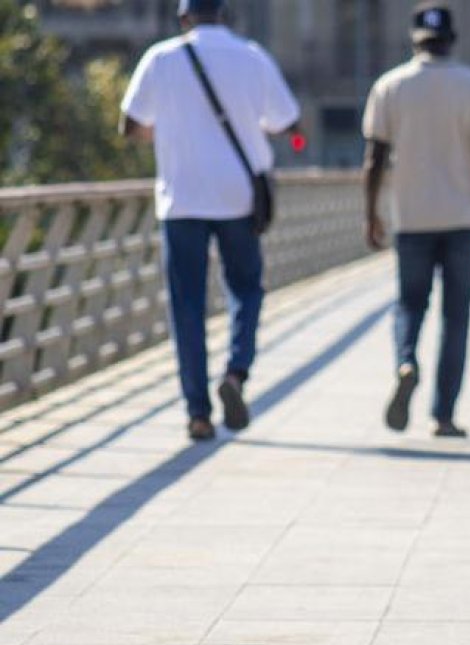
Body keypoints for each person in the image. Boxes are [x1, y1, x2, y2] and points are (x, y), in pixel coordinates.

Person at [119, 0, 301, 440]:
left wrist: (174, 131)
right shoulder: (252, 55)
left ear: (183, 18)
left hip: (181, 198)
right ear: (224, 14)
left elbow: (130, 125)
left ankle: (198, 414)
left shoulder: (160, 59)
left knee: (187, 305)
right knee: (245, 289)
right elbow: (286, 120)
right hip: (237, 197)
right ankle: (236, 372)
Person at [363, 3, 470, 438]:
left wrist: (371, 214)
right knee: (456, 316)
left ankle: (406, 360)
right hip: (460, 219)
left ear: (414, 40)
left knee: (410, 304)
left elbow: (374, 159)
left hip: (410, 217)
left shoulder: (389, 87)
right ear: (452, 40)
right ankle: (443, 414)